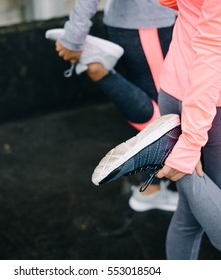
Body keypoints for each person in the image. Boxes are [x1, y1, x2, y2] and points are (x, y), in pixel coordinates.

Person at [92, 0, 221, 259]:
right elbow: (214, 45)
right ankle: (162, 152)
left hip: (176, 88)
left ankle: (169, 152)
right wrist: (190, 145)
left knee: (189, 217)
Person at [46, 0, 178, 212]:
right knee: (165, 118)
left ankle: (152, 186)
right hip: (146, 24)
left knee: (161, 109)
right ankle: (150, 192)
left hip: (141, 23)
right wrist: (73, 36)